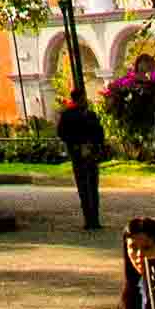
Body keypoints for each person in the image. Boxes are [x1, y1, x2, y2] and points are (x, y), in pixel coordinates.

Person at [57, 92, 107, 230]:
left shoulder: (85, 115)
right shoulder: (74, 115)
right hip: (82, 152)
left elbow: (62, 133)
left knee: (88, 187)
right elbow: (63, 133)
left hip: (85, 153)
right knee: (88, 187)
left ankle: (92, 219)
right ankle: (91, 219)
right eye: (83, 99)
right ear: (79, 100)